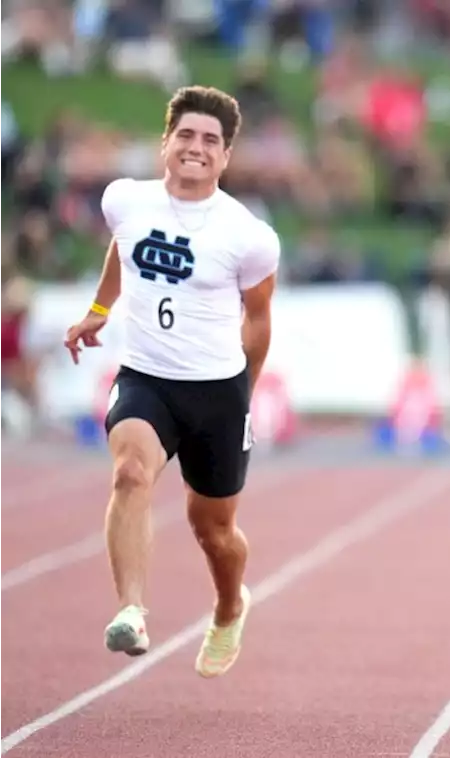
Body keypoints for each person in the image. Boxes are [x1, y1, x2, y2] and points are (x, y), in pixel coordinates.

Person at [63, 85, 281, 679]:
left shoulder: (248, 235)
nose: (196, 147)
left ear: (225, 156)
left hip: (216, 391)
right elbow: (122, 251)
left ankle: (231, 606)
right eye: (185, 135)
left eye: (210, 140)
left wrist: (244, 394)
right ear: (166, 142)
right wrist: (100, 312)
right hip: (145, 378)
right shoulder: (125, 201)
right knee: (130, 472)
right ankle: (132, 610)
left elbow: (259, 318)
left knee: (213, 530)